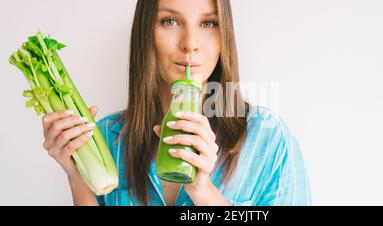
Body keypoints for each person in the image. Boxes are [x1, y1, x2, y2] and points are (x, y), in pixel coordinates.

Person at [41, 0, 311, 206]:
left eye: (208, 23)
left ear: (224, 35)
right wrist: (76, 177)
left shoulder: (268, 140)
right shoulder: (106, 139)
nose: (190, 44)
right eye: (170, 21)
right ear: (146, 32)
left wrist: (203, 191)